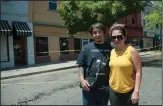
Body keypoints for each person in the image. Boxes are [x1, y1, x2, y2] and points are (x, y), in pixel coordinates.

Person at [76, 23, 112, 106]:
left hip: (104, 88)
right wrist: (82, 80)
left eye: (100, 32)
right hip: (89, 87)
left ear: (104, 33)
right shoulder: (86, 48)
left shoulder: (110, 47)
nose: (97, 34)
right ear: (92, 35)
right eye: (95, 32)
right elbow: (80, 65)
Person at [108, 23, 142, 105]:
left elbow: (138, 72)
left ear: (124, 37)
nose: (116, 40)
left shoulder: (132, 51)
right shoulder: (112, 52)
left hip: (129, 90)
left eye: (119, 37)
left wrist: (136, 91)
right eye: (113, 38)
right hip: (113, 90)